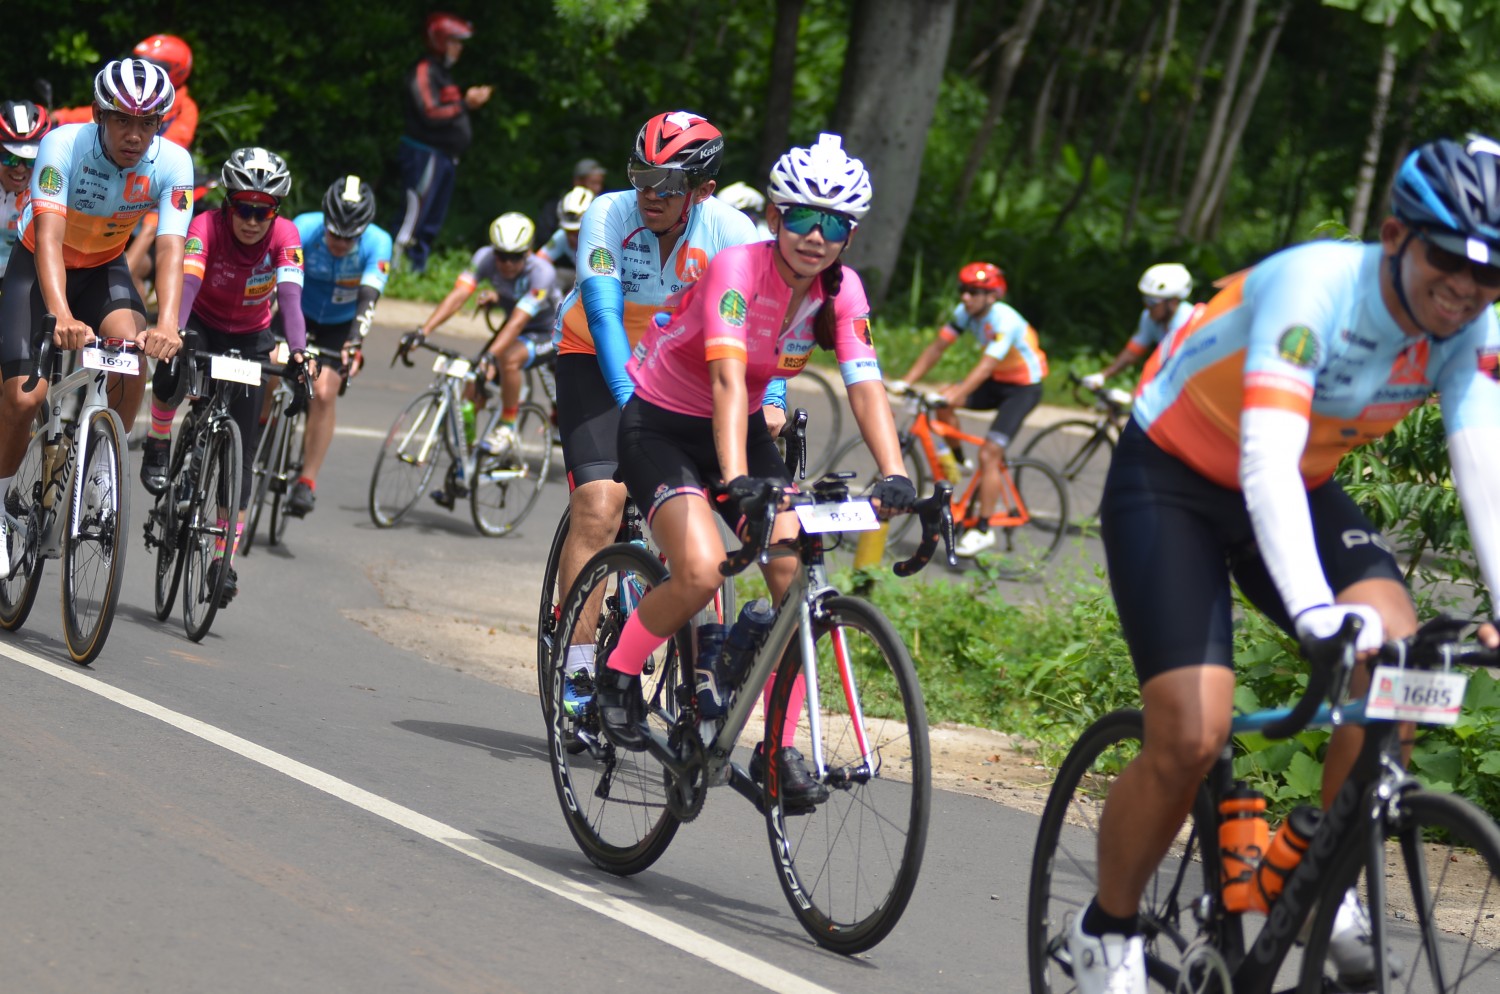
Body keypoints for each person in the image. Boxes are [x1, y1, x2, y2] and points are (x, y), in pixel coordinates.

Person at [1072, 135, 1500, 994]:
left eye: (1491, 272)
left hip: (1300, 486)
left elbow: (1484, 460)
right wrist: (1311, 611)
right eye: (1449, 258)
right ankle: (1104, 933)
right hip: (1175, 480)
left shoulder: (1471, 327)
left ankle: (1317, 880)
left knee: (1397, 660)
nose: (1466, 285)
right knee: (1192, 733)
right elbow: (1264, 453)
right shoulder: (1313, 289)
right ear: (1394, 236)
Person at [599, 132, 912, 806]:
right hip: (663, 425)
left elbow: (865, 383)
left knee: (794, 575)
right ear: (774, 217)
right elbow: (727, 378)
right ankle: (617, 675)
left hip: (737, 432)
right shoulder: (736, 270)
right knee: (701, 570)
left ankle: (776, 748)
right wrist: (740, 481)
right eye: (802, 218)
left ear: (850, 236)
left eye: (834, 225)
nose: (816, 237)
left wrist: (896, 473)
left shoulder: (843, 291)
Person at [552, 110, 764, 717]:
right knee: (600, 503)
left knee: (700, 508)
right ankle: (578, 670)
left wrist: (772, 401)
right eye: (641, 175)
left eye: (667, 184)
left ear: (703, 191)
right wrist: (633, 407)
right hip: (596, 354)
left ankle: (697, 668)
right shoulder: (609, 213)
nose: (649, 193)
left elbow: (762, 323)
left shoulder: (733, 230)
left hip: (679, 365)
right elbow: (602, 313)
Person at [1, 59, 192, 571]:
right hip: (38, 267)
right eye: (122, 120)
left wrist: (168, 322)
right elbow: (48, 237)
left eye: (147, 123)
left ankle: (101, 471)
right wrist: (61, 313)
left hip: (104, 268)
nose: (134, 135)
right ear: (98, 115)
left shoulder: (173, 162)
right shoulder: (63, 145)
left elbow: (171, 247)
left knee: (131, 354)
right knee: (25, 398)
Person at [138, 147, 308, 605]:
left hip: (252, 334)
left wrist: (299, 353)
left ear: (276, 211)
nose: (252, 220)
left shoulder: (286, 236)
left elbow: (291, 299)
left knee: (243, 454)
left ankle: (221, 559)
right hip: (202, 321)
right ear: (229, 204)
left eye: (263, 211)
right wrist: (172, 331)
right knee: (173, 363)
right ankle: (158, 439)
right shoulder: (205, 227)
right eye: (244, 209)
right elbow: (189, 283)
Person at [889, 260, 1048, 558]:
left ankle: (984, 530)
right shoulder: (965, 313)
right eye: (963, 290)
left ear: (992, 296)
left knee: (989, 453)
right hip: (997, 380)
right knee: (944, 399)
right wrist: (906, 381)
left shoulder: (1006, 321)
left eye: (973, 292)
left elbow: (985, 366)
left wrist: (957, 394)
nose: (965, 297)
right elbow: (937, 348)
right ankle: (960, 461)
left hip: (1023, 388)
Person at [278, 175, 392, 517]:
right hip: (297, 313)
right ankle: (261, 424)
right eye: (334, 234)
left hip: (340, 326)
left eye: (349, 237)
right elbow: (277, 278)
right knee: (269, 364)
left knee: (326, 392)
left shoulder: (379, 242)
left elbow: (369, 299)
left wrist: (354, 344)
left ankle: (306, 482)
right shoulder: (304, 227)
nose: (340, 242)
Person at [414, 211, 555, 472]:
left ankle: (507, 426)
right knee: (471, 387)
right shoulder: (484, 258)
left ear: (528, 252)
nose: (507, 263)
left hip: (546, 330)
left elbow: (518, 322)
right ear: (493, 250)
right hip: (512, 326)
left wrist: (492, 356)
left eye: (515, 257)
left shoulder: (542, 272)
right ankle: (467, 461)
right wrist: (423, 330)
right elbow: (459, 295)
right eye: (502, 255)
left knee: (507, 359)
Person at [392, 12, 492, 273]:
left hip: (444, 157)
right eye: (454, 42)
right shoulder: (424, 70)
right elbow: (430, 112)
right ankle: (395, 267)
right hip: (424, 155)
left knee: (432, 219)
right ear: (439, 41)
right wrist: (465, 104)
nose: (459, 48)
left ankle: (416, 269)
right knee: (415, 213)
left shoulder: (444, 74)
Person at [1081, 263, 1197, 390]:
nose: (1147, 306)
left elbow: (1168, 367)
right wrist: (1102, 376)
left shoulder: (1187, 321)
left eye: (1152, 302)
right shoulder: (1150, 317)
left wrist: (1134, 395)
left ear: (1173, 302)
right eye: (1145, 299)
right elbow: (1133, 352)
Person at [0, 100, 53, 279]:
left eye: (30, 160)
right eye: (10, 158)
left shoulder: (47, 187)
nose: (20, 169)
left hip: (24, 274)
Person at [536, 185, 592, 293]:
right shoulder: (562, 236)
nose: (571, 238)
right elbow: (538, 262)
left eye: (578, 232)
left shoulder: (607, 238)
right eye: (568, 231)